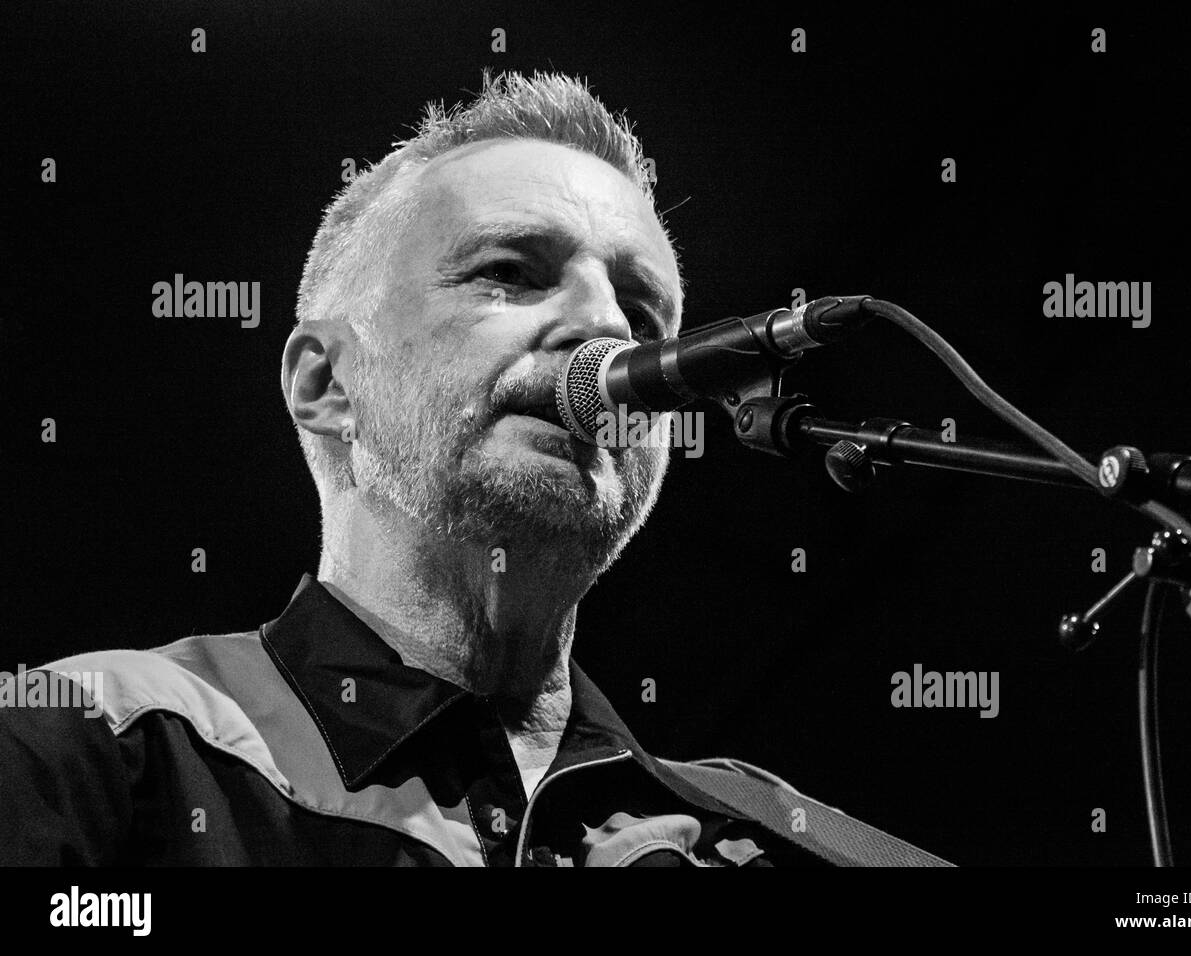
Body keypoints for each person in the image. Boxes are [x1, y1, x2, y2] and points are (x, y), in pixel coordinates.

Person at [0, 70, 947, 867]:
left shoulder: (779, 842)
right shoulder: (86, 747)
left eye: (646, 316)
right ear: (328, 383)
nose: (608, 331)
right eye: (512, 271)